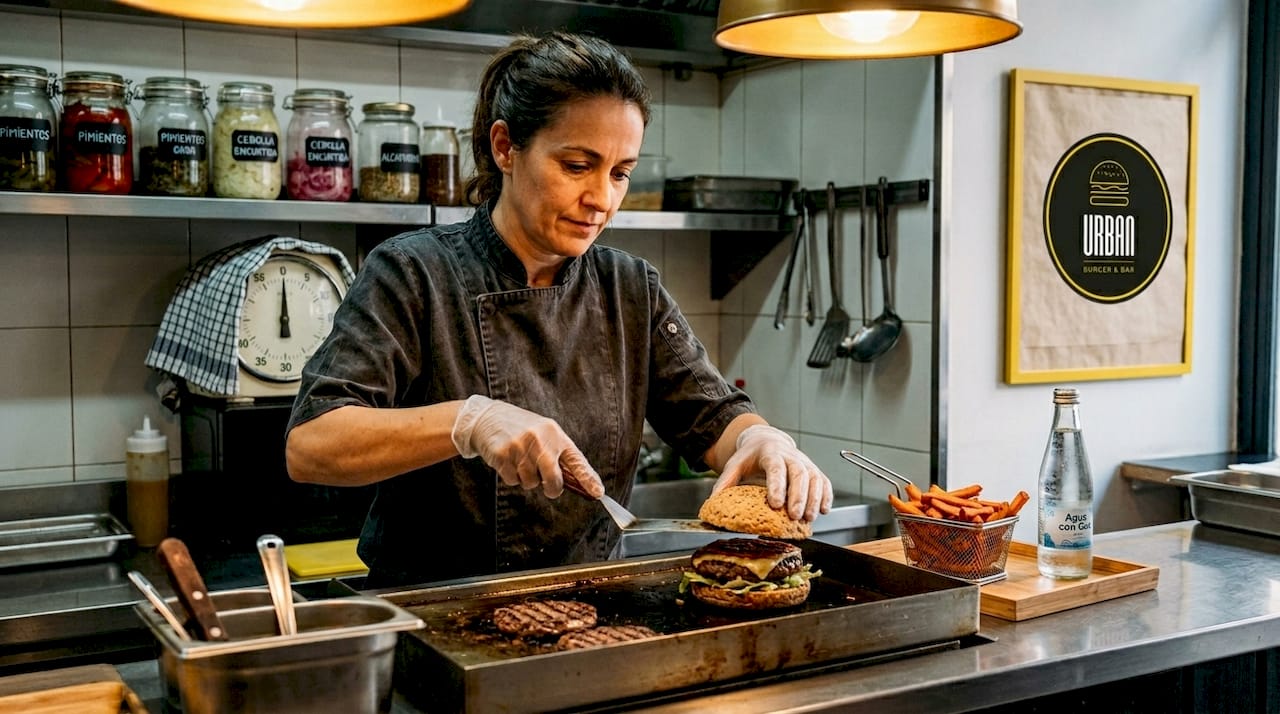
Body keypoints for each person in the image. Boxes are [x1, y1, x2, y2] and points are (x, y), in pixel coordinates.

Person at [285, 31, 833, 589]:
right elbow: (311, 445)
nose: (602, 199)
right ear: (505, 147)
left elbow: (713, 418)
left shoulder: (629, 287)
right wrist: (469, 422)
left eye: (619, 173)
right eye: (576, 166)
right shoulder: (413, 273)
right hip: (434, 614)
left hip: (591, 608)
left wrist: (760, 441)